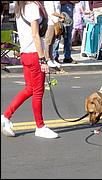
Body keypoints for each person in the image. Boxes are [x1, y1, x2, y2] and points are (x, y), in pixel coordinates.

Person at [1, 1, 59, 139]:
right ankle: (40, 126)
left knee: (29, 89)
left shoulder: (19, 7)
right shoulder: (32, 7)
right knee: (38, 92)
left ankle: (6, 116)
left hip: (25, 53)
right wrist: (42, 59)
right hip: (34, 54)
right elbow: (35, 34)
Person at [44, 1, 63, 68]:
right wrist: (61, 16)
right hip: (51, 22)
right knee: (48, 41)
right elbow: (51, 12)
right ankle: (47, 59)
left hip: (56, 22)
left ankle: (51, 58)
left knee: (52, 41)